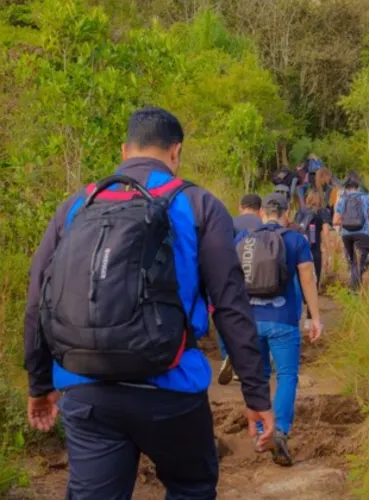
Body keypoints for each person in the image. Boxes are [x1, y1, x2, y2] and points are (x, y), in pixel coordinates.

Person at [23, 106, 274, 499]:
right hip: (170, 388)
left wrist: (39, 383)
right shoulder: (199, 205)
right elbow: (230, 304)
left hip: (87, 389)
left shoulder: (76, 206)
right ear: (176, 152)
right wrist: (256, 394)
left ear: (125, 149)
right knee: (191, 487)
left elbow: (38, 297)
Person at [235, 193, 323, 466]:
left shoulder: (243, 239)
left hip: (250, 320)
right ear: (287, 213)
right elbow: (307, 276)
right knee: (286, 375)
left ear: (261, 212)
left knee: (259, 375)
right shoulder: (295, 239)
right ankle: (281, 430)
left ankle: (262, 432)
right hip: (283, 319)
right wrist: (315, 317)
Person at [218, 193, 264, 385]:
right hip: (261, 281)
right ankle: (249, 360)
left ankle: (227, 355)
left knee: (228, 317)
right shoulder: (264, 225)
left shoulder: (230, 222)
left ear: (240, 206)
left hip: (234, 278)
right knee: (253, 319)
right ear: (260, 210)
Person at [333, 175, 369, 292]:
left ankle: (355, 290)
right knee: (359, 263)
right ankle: (354, 291)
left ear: (346, 187)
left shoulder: (342, 200)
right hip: (363, 234)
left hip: (347, 235)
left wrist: (347, 223)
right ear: (358, 187)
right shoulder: (366, 198)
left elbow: (335, 221)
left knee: (353, 263)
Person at [294, 190, 332, 289]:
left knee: (300, 278)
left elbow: (294, 228)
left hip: (299, 247)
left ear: (308, 198)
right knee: (314, 282)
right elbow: (326, 233)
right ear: (321, 199)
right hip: (314, 249)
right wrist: (329, 253)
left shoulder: (301, 211)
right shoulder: (323, 211)